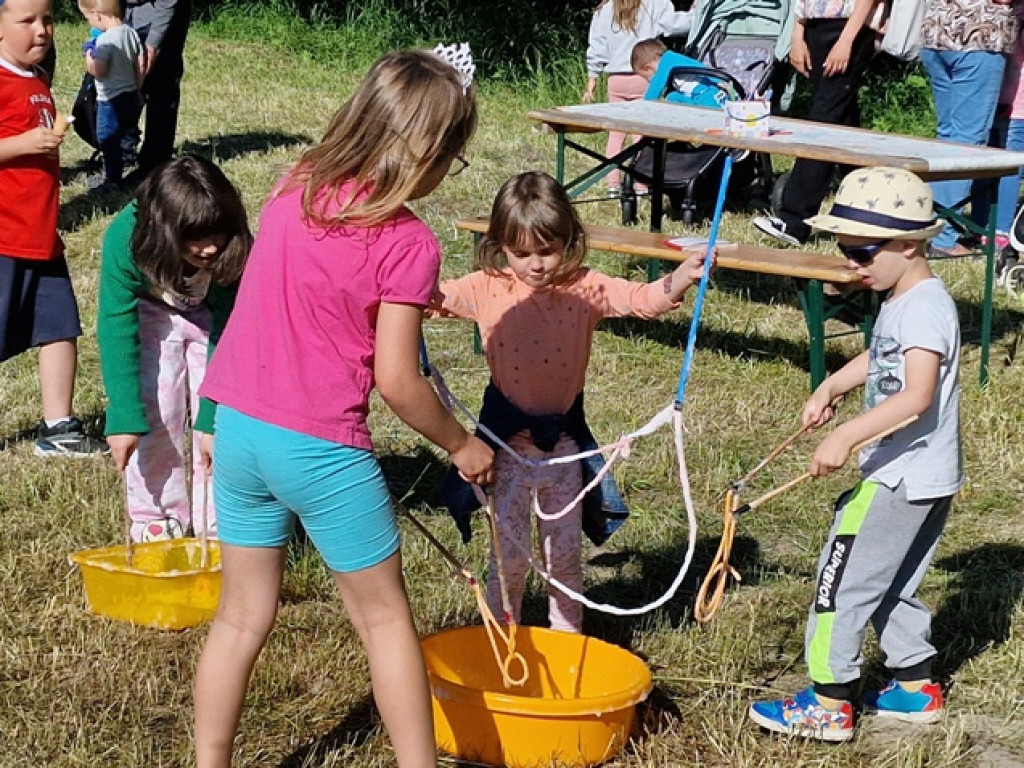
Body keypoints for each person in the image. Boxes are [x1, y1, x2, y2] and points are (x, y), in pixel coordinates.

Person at [191, 46, 493, 768]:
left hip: (236, 428)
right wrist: (461, 444)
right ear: (432, 153)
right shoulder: (409, 242)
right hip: (320, 448)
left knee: (239, 617)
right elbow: (399, 380)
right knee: (385, 619)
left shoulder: (294, 184)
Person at [429, 170, 712, 633]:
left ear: (569, 241)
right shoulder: (487, 286)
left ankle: (568, 643)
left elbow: (641, 299)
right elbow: (432, 299)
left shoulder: (586, 287)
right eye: (521, 253)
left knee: (564, 559)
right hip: (508, 446)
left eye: (548, 251)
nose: (536, 265)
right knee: (510, 558)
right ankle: (504, 643)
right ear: (500, 244)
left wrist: (680, 278)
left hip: (563, 445)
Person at [748, 166, 963, 742]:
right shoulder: (906, 296)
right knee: (892, 581)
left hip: (897, 477)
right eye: (845, 250)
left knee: (838, 582)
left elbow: (916, 394)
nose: (852, 264)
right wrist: (832, 387)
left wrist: (846, 436)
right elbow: (883, 356)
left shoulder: (922, 308)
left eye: (863, 251)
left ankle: (827, 699)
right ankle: (915, 687)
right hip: (926, 476)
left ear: (911, 244)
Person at [98, 156, 252, 542]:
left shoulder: (235, 249)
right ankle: (156, 514)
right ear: (163, 231)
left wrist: (211, 417)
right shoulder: (125, 240)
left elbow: (232, 332)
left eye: (217, 234)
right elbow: (116, 324)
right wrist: (124, 417)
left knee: (224, 424)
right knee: (157, 401)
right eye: (195, 239)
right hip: (153, 313)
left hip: (216, 321)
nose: (210, 248)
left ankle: (219, 518)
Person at [0, 0, 108, 458]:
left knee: (60, 325)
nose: (42, 30)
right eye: (27, 21)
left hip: (41, 233)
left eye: (46, 19)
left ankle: (58, 425)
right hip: (5, 236)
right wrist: (24, 143)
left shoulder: (37, 81)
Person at [752, 0, 880, 246]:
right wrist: (797, 35)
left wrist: (846, 41)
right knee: (841, 123)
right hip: (814, 27)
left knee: (823, 122)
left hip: (850, 29)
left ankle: (794, 220)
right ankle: (870, 207)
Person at [919, 0, 1018, 257]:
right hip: (978, 39)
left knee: (947, 137)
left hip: (936, 33)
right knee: (966, 143)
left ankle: (927, 228)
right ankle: (944, 239)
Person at [584, 0, 693, 196]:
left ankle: (613, 184)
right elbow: (676, 24)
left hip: (615, 80)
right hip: (643, 77)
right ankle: (641, 183)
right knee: (641, 136)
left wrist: (592, 79)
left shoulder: (605, 8)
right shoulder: (653, 4)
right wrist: (697, 13)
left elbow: (596, 46)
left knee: (616, 134)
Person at [78, 0, 143, 192]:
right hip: (130, 93)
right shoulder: (130, 32)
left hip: (110, 100)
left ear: (98, 14)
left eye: (88, 18)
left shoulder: (105, 40)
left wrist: (89, 55)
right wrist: (138, 88)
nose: (90, 23)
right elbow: (140, 62)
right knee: (125, 132)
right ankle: (126, 161)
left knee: (107, 138)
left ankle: (112, 180)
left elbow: (99, 70)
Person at [122, 0, 190, 181]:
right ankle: (122, 154)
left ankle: (155, 163)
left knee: (162, 85)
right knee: (122, 84)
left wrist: (153, 43)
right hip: (128, 15)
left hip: (162, 15)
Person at [631, 37, 724, 107]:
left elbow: (655, 88)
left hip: (706, 96)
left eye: (646, 77)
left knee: (672, 98)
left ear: (649, 68)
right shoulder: (673, 61)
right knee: (673, 96)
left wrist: (645, 106)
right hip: (707, 95)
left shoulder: (666, 61)